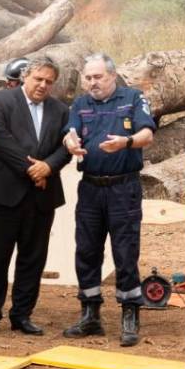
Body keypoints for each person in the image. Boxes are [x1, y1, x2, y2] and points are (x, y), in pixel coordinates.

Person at [0, 57, 71, 336]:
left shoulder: (61, 110)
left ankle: (22, 315)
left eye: (49, 81)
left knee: (33, 257)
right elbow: (0, 139)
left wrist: (48, 166)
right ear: (26, 76)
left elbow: (67, 145)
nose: (43, 85)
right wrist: (33, 169)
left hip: (42, 195)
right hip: (2, 190)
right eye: (38, 78)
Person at [61, 54, 155, 347]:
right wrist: (70, 143)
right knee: (87, 250)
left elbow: (147, 134)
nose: (93, 82)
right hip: (90, 188)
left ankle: (130, 314)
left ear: (112, 76)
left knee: (125, 251)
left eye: (98, 77)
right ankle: (90, 314)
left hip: (123, 188)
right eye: (88, 78)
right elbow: (70, 132)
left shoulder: (133, 98)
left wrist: (126, 142)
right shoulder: (80, 104)